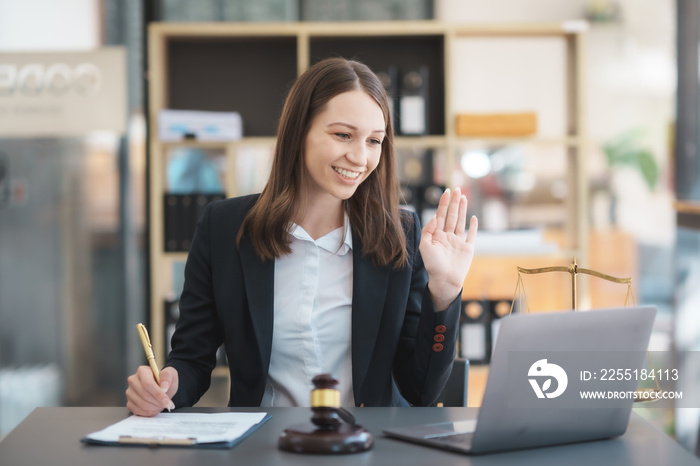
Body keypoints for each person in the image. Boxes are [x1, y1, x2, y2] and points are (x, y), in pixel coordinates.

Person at [126, 57, 478, 417]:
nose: (360, 157)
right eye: (343, 135)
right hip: (262, 444)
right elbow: (191, 359)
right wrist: (165, 384)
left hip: (367, 445)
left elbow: (420, 390)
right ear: (299, 132)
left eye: (374, 141)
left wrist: (445, 291)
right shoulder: (224, 228)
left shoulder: (399, 235)